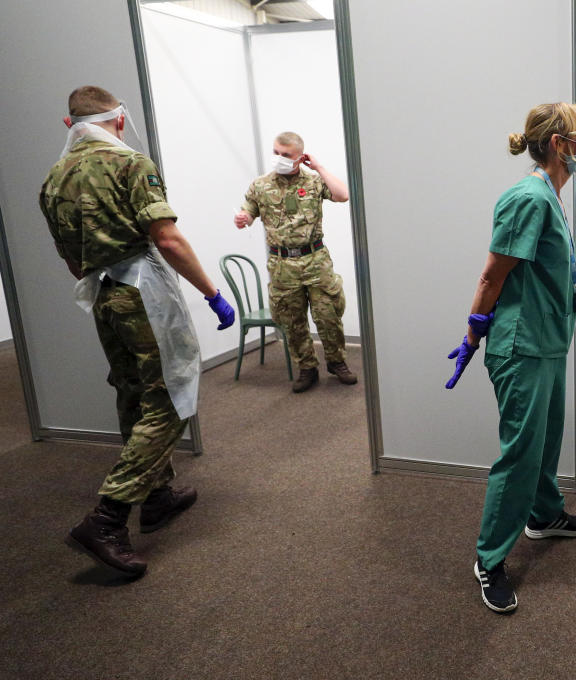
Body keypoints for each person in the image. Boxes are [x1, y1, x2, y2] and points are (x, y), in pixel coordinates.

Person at [39, 86, 235, 578]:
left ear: (70, 127)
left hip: (103, 296)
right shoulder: (130, 165)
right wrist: (211, 292)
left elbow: (70, 259)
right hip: (142, 294)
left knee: (132, 388)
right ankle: (106, 519)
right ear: (119, 120)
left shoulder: (53, 178)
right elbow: (166, 237)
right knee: (169, 397)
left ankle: (157, 494)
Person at [445, 103, 576, 614]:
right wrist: (472, 334)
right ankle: (490, 558)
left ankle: (545, 514)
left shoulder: (551, 196)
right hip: (520, 344)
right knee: (520, 451)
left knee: (547, 437)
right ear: (559, 143)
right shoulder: (527, 198)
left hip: (547, 339)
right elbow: (491, 276)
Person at [235, 132, 354, 392]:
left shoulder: (313, 182)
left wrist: (319, 167)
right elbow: (249, 210)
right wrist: (244, 218)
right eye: (276, 152)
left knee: (328, 315)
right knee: (292, 320)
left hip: (315, 260)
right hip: (282, 264)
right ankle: (307, 368)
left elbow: (343, 195)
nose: (278, 158)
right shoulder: (260, 185)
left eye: (285, 155)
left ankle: (336, 362)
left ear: (300, 157)